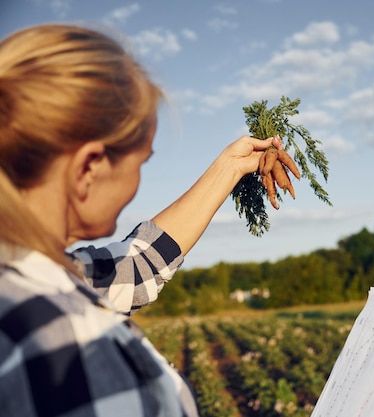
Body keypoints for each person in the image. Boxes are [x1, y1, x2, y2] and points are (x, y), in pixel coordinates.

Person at [0, 23, 281, 416]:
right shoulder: (67, 344)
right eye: (142, 162)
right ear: (89, 168)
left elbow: (135, 264)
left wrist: (230, 169)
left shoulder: (26, 278)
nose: (139, 179)